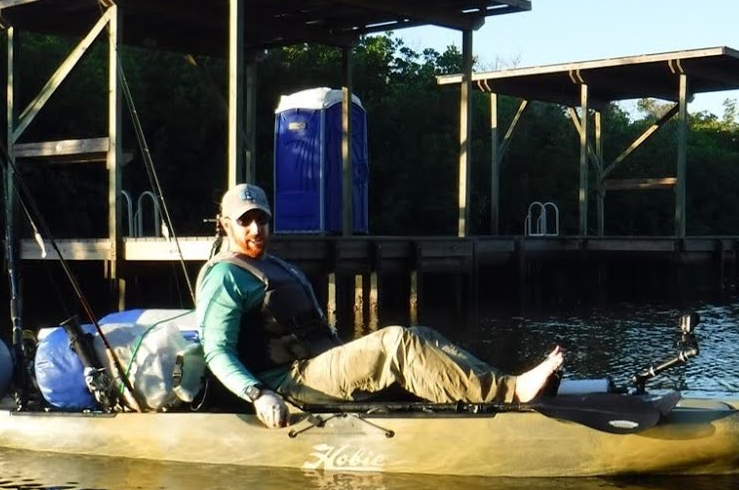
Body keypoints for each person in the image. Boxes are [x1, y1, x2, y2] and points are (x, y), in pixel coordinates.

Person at [195, 183, 564, 429]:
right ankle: (511, 392)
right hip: (290, 382)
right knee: (397, 343)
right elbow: (216, 351)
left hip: (322, 363)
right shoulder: (225, 276)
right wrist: (258, 394)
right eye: (246, 221)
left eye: (262, 218)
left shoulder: (277, 266)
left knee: (420, 336)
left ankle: (488, 388)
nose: (256, 229)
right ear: (225, 224)